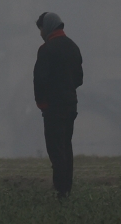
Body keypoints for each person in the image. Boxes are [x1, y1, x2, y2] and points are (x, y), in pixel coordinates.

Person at [33, 11, 83, 198]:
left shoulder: (46, 49)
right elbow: (79, 79)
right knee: (66, 146)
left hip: (53, 107)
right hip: (70, 105)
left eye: (40, 29)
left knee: (55, 150)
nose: (40, 34)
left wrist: (41, 102)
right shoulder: (73, 47)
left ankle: (60, 190)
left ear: (47, 28)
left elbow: (39, 79)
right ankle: (67, 189)